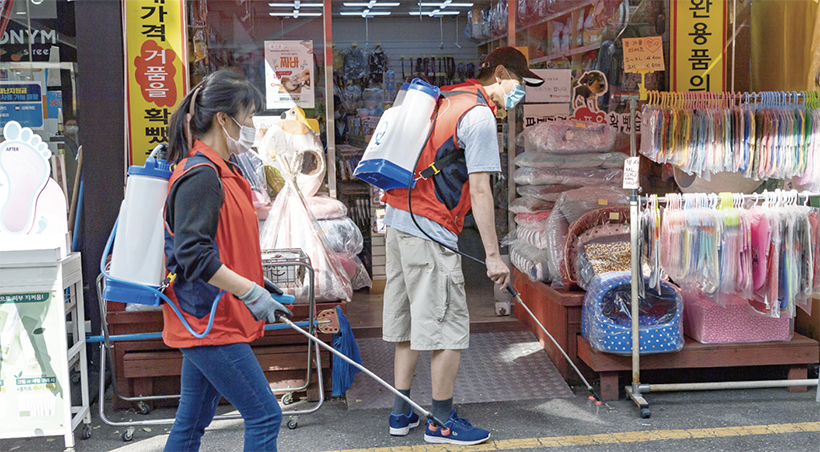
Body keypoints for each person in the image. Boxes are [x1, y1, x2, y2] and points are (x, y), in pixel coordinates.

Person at [381, 47, 543, 445]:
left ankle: (400, 414)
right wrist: (493, 255)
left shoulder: (448, 97)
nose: (520, 94)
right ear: (501, 74)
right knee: (446, 327)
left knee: (408, 323)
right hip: (430, 225)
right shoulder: (481, 115)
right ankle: (439, 422)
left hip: (399, 219)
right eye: (520, 84)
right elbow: (482, 190)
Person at [162, 70, 293, 452]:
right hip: (209, 320)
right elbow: (193, 255)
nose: (252, 126)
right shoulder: (202, 176)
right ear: (224, 118)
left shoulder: (222, 171)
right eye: (249, 117)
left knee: (192, 422)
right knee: (265, 415)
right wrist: (249, 290)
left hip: (207, 317)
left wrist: (258, 283)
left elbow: (220, 245)